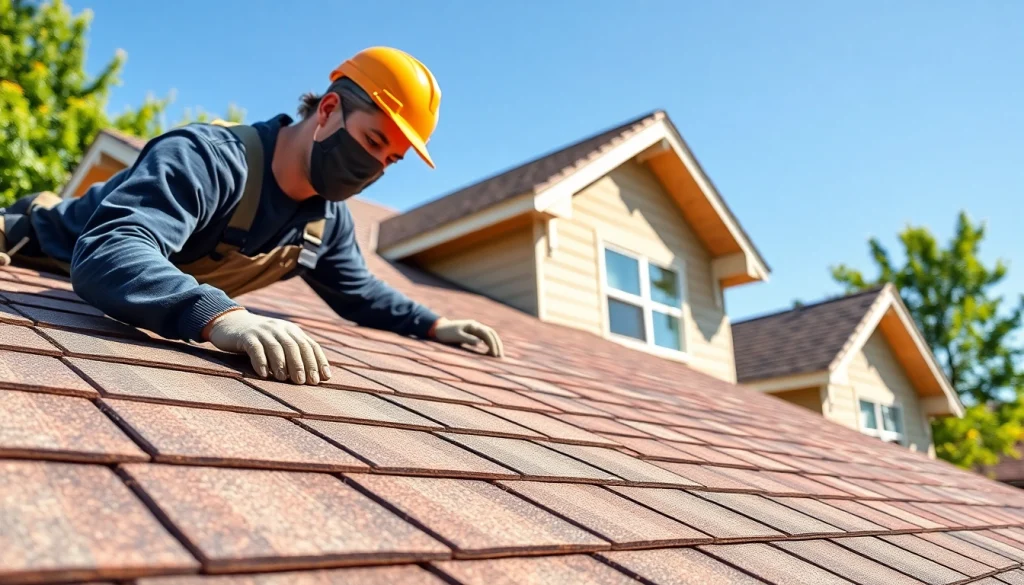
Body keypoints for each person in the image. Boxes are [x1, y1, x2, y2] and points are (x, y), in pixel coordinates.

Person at [0, 46, 503, 386]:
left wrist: (436, 325)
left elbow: (362, 295)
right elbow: (112, 249)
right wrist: (220, 316)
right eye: (373, 142)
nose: (374, 167)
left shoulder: (324, 222)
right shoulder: (207, 157)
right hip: (33, 251)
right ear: (328, 111)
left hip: (119, 291)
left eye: (391, 160)